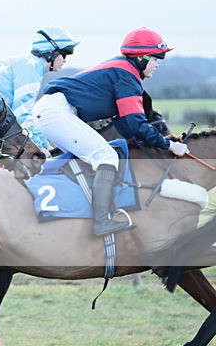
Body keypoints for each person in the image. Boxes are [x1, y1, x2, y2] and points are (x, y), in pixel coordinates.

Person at [33, 27, 189, 237]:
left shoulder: (123, 70)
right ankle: (101, 221)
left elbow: (125, 125)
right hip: (56, 112)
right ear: (142, 58)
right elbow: (135, 124)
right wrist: (170, 145)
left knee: (101, 155)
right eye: (156, 59)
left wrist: (157, 140)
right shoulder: (127, 76)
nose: (157, 65)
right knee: (105, 155)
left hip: (54, 110)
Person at [0, 26, 80, 155]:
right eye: (64, 54)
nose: (65, 60)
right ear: (50, 53)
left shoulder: (29, 64)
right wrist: (40, 147)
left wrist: (45, 145)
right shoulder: (31, 69)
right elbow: (21, 115)